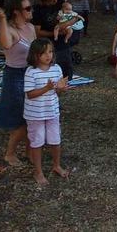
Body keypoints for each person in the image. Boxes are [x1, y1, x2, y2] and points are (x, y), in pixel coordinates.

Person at [0, 0, 36, 166]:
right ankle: (10, 153)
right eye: (27, 8)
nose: (31, 11)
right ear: (17, 11)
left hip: (30, 73)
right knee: (20, 119)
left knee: (31, 117)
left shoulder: (31, 27)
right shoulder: (10, 29)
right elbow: (6, 45)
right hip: (15, 75)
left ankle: (29, 150)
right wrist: (2, 19)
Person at [24, 38, 70, 184]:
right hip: (35, 114)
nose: (48, 55)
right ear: (35, 55)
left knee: (55, 140)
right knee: (37, 142)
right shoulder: (31, 72)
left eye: (50, 51)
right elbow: (30, 94)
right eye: (43, 53)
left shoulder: (56, 69)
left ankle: (56, 165)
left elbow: (57, 92)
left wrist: (61, 89)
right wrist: (46, 88)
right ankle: (38, 172)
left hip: (52, 112)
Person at [32, 0, 79, 80]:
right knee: (49, 65)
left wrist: (64, 25)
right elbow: (37, 32)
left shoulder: (60, 3)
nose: (55, 0)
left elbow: (75, 17)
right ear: (44, 1)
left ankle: (65, 81)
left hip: (62, 41)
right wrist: (54, 34)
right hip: (47, 42)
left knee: (66, 66)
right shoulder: (37, 10)